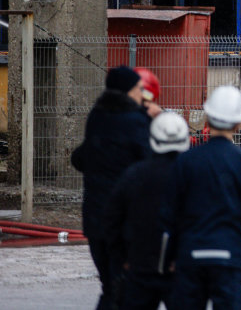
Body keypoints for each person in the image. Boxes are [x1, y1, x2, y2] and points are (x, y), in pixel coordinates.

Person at [159, 86, 241, 310]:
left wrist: (169, 258)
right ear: (238, 123)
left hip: (191, 256)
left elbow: (169, 213)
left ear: (208, 118)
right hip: (230, 258)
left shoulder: (186, 161)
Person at [71, 66, 152, 310]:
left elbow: (81, 158)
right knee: (125, 287)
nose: (143, 94)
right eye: (139, 89)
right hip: (124, 222)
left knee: (109, 287)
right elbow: (147, 161)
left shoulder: (97, 115)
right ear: (128, 91)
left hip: (95, 219)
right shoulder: (137, 121)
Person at [105, 112, 190, 310]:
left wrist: (122, 258)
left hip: (139, 266)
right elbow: (199, 220)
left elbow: (111, 220)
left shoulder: (134, 174)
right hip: (178, 269)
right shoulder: (191, 176)